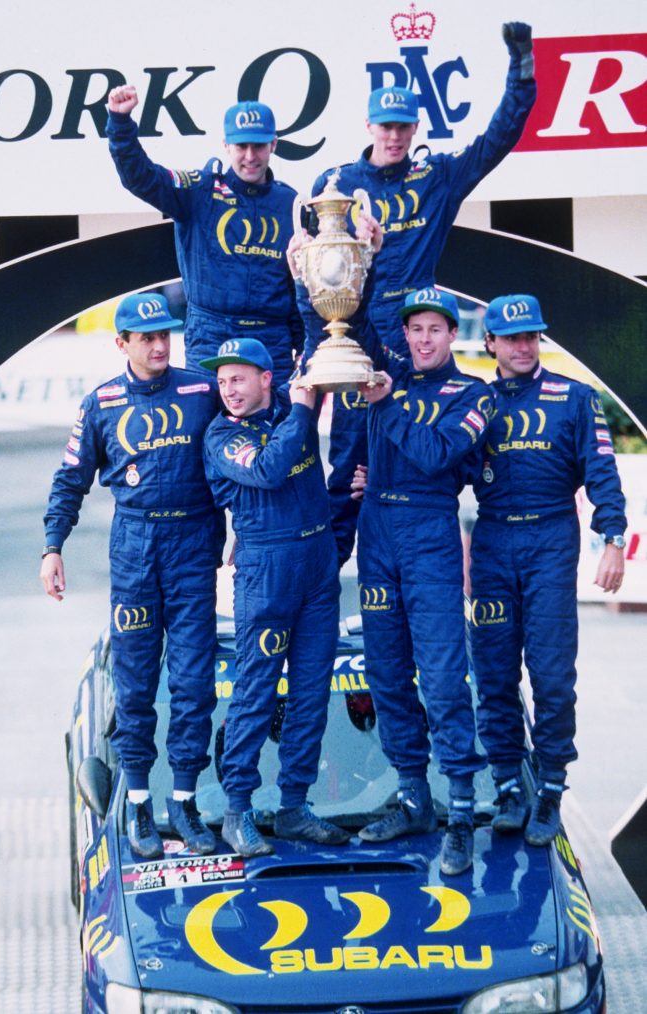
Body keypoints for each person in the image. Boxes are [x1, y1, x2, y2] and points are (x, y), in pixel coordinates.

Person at [304, 22, 537, 566]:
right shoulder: (334, 185)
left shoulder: (438, 176)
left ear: (415, 128)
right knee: (347, 470)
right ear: (368, 125)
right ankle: (319, 591)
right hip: (357, 337)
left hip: (418, 341)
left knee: (413, 462)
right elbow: (320, 280)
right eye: (386, 126)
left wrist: (521, 71)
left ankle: (417, 592)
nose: (394, 136)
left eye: (404, 127)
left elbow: (499, 138)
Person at [40, 292, 223, 859]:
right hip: (135, 548)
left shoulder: (203, 391)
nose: (159, 346)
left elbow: (241, 452)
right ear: (121, 343)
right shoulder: (101, 403)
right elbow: (70, 479)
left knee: (193, 683)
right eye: (146, 338)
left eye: (164, 335)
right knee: (136, 682)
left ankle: (185, 801)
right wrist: (53, 547)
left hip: (194, 545)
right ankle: (139, 801)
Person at [470, 294, 627, 847]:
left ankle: (553, 787)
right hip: (492, 542)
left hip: (551, 541)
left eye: (531, 336)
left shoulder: (576, 398)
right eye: (512, 338)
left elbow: (603, 473)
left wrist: (614, 539)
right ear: (490, 342)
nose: (523, 346)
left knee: (553, 676)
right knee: (493, 674)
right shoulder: (476, 401)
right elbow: (441, 464)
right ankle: (509, 786)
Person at [352, 287, 493, 876]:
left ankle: (459, 809)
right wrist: (356, 277)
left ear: (453, 334)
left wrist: (386, 406)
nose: (425, 338)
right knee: (386, 674)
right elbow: (354, 332)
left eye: (436, 328)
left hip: (431, 532)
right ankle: (414, 797)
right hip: (377, 529)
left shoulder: (474, 394)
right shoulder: (389, 379)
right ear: (406, 334)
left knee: (441, 678)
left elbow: (436, 455)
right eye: (416, 329)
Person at [201, 338, 348, 857]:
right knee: (256, 690)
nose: (229, 390)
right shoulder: (221, 434)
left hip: (317, 561)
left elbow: (323, 354)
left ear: (267, 378)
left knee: (312, 691)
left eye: (238, 378)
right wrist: (304, 411)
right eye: (222, 381)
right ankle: (237, 809)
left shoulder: (292, 405)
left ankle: (294, 806)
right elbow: (267, 469)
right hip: (266, 567)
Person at [106, 88, 303, 383]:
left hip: (271, 339)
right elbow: (140, 177)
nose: (250, 156)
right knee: (205, 414)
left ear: (273, 144)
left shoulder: (290, 203)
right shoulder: (199, 189)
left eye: (259, 146)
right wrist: (120, 123)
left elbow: (298, 284)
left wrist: (304, 346)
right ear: (226, 145)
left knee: (278, 415)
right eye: (241, 146)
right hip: (210, 336)